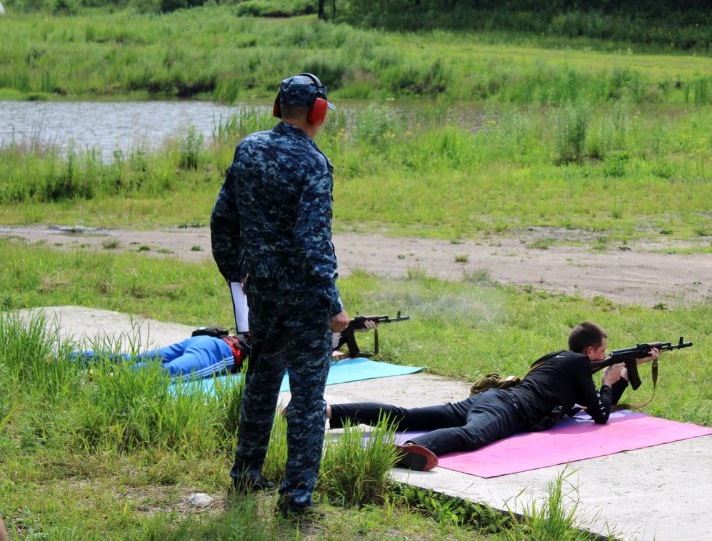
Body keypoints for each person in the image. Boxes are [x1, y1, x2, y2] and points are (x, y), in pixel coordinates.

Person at [210, 72, 349, 515]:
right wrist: (333, 303)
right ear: (318, 112)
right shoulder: (314, 164)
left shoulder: (247, 149)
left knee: (261, 382)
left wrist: (239, 273)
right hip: (306, 300)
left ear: (278, 107)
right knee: (308, 398)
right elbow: (313, 242)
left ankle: (245, 475)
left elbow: (221, 221)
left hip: (263, 293)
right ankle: (295, 498)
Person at [326, 322, 659, 471]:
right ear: (590, 352)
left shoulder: (559, 359)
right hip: (509, 408)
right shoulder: (577, 365)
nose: (605, 355)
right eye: (603, 351)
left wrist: (620, 375)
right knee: (472, 437)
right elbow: (600, 414)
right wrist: (608, 378)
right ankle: (413, 449)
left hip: (492, 400)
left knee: (407, 415)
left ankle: (328, 412)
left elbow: (595, 403)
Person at [69, 331, 250, 380]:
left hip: (206, 341)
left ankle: (70, 358)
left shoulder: (259, 321)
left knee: (133, 359)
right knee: (168, 373)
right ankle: (114, 378)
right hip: (220, 353)